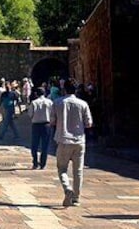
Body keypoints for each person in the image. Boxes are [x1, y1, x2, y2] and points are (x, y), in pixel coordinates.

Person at [51, 79, 93, 207]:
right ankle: (76, 197)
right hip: (79, 141)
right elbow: (89, 123)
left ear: (64, 89)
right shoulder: (83, 104)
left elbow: (52, 121)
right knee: (78, 171)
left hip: (63, 140)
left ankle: (67, 188)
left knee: (62, 169)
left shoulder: (57, 103)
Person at [28, 87, 53, 169]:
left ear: (36, 94)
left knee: (34, 144)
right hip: (46, 125)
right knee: (45, 145)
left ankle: (35, 162)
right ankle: (43, 163)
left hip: (36, 125)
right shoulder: (49, 102)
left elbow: (30, 114)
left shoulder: (34, 103)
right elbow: (52, 114)